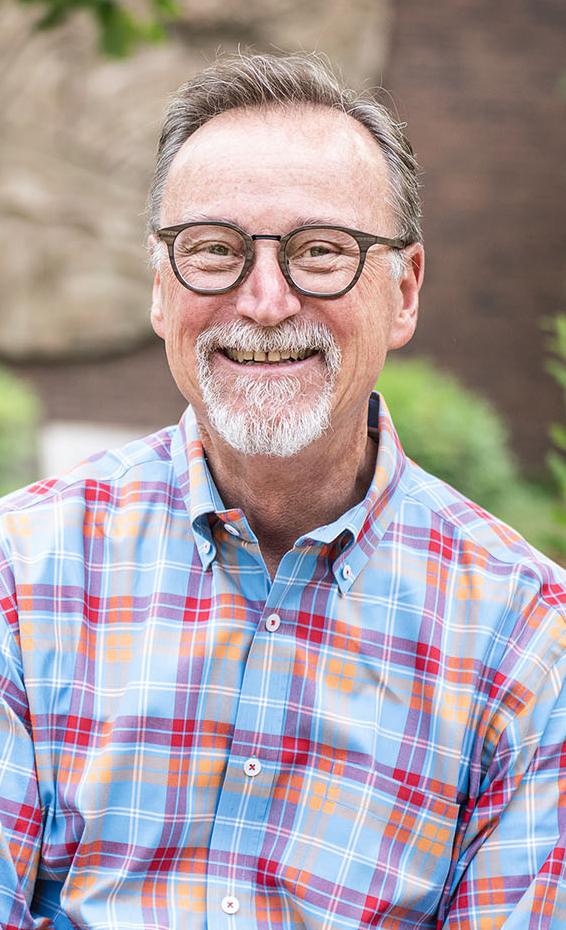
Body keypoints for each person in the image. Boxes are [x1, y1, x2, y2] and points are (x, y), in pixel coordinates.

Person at [0, 52, 564, 930]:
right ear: (160, 285)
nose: (265, 301)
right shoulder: (22, 575)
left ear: (405, 290)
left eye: (322, 252)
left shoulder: (527, 638)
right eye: (215, 250)